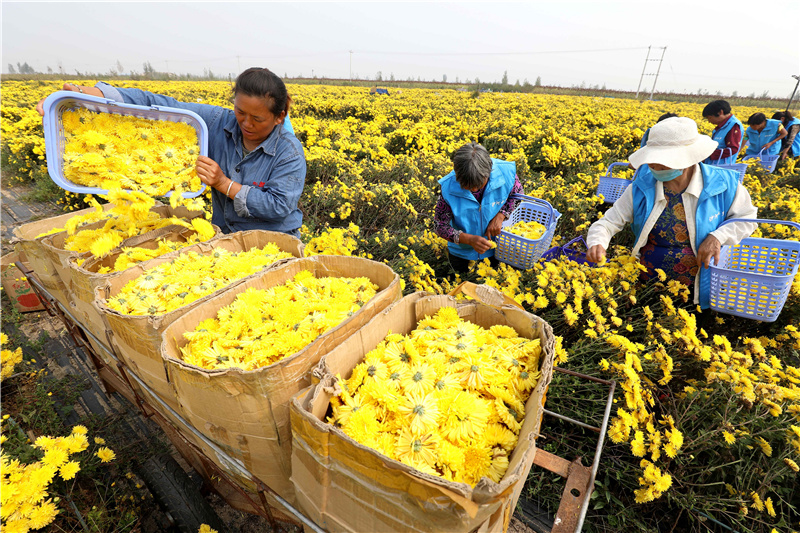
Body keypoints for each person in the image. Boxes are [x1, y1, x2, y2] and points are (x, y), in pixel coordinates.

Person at [36, 68, 305, 237]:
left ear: (280, 116)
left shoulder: (289, 152)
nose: (245, 124)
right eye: (240, 112)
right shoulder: (218, 121)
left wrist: (224, 184)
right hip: (226, 235)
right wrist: (89, 94)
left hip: (275, 240)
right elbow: (162, 105)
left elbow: (279, 206)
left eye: (256, 119)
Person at [586, 117, 757, 309]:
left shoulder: (723, 183)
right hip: (648, 280)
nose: (656, 169)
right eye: (652, 163)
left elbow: (746, 219)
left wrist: (717, 237)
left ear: (688, 159)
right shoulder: (642, 186)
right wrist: (598, 242)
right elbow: (609, 221)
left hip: (699, 282)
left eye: (664, 164)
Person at [434, 143, 523, 273]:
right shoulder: (448, 187)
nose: (474, 189)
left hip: (498, 249)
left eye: (479, 185)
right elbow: (439, 225)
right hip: (461, 255)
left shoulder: (506, 173)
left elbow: (517, 196)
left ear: (489, 172)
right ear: (457, 175)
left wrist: (501, 215)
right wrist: (469, 240)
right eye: (467, 186)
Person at [701, 100, 743, 165]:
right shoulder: (722, 126)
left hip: (721, 167)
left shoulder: (733, 125)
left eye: (709, 117)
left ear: (720, 112)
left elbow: (733, 149)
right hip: (714, 165)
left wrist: (709, 154)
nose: (709, 121)